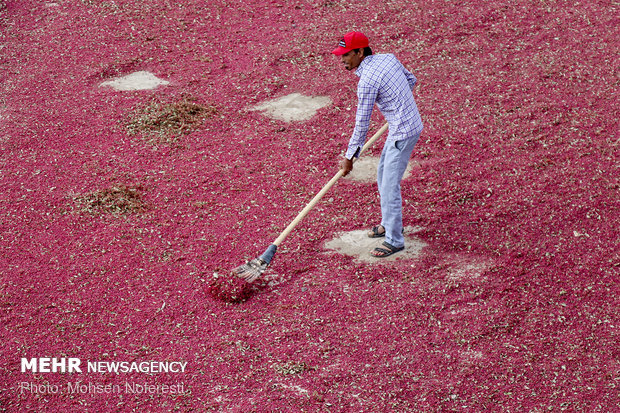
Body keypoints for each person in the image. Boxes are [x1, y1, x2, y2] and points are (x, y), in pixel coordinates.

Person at [332, 31, 423, 258]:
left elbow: (361, 124)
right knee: (383, 176)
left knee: (389, 186)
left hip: (402, 132)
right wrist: (398, 107)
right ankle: (389, 224)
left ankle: (394, 239)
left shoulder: (367, 81)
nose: (342, 59)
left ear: (360, 52)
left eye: (346, 55)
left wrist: (350, 157)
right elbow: (411, 80)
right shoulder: (388, 58)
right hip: (404, 126)